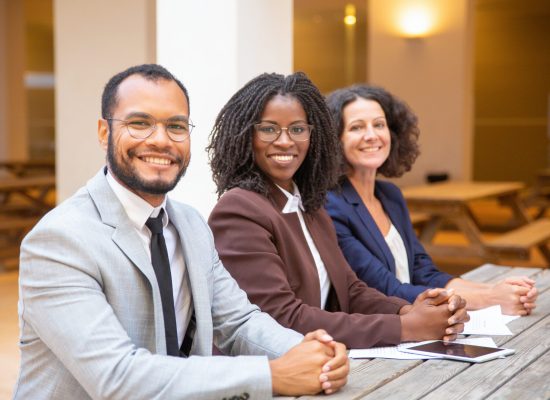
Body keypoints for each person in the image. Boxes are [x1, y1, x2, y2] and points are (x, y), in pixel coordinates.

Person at [14, 64, 351, 400]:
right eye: (140, 123)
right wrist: (271, 375)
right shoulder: (59, 241)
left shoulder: (190, 225)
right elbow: (117, 377)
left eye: (175, 126)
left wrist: (311, 352)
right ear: (104, 132)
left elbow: (240, 322)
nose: (160, 140)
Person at [207, 72, 468, 350]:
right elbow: (281, 317)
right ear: (246, 135)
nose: (285, 141)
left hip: (321, 362)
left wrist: (410, 310)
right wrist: (404, 327)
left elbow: (349, 288)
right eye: (269, 129)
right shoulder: (239, 209)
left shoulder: (309, 204)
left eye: (297, 129)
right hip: (272, 377)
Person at [324, 84, 538, 316]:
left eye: (379, 124)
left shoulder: (390, 195)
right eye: (356, 127)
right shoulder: (331, 205)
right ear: (335, 139)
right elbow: (386, 288)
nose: (371, 135)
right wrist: (489, 299)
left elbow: (424, 272)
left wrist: (500, 290)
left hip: (417, 318)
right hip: (381, 328)